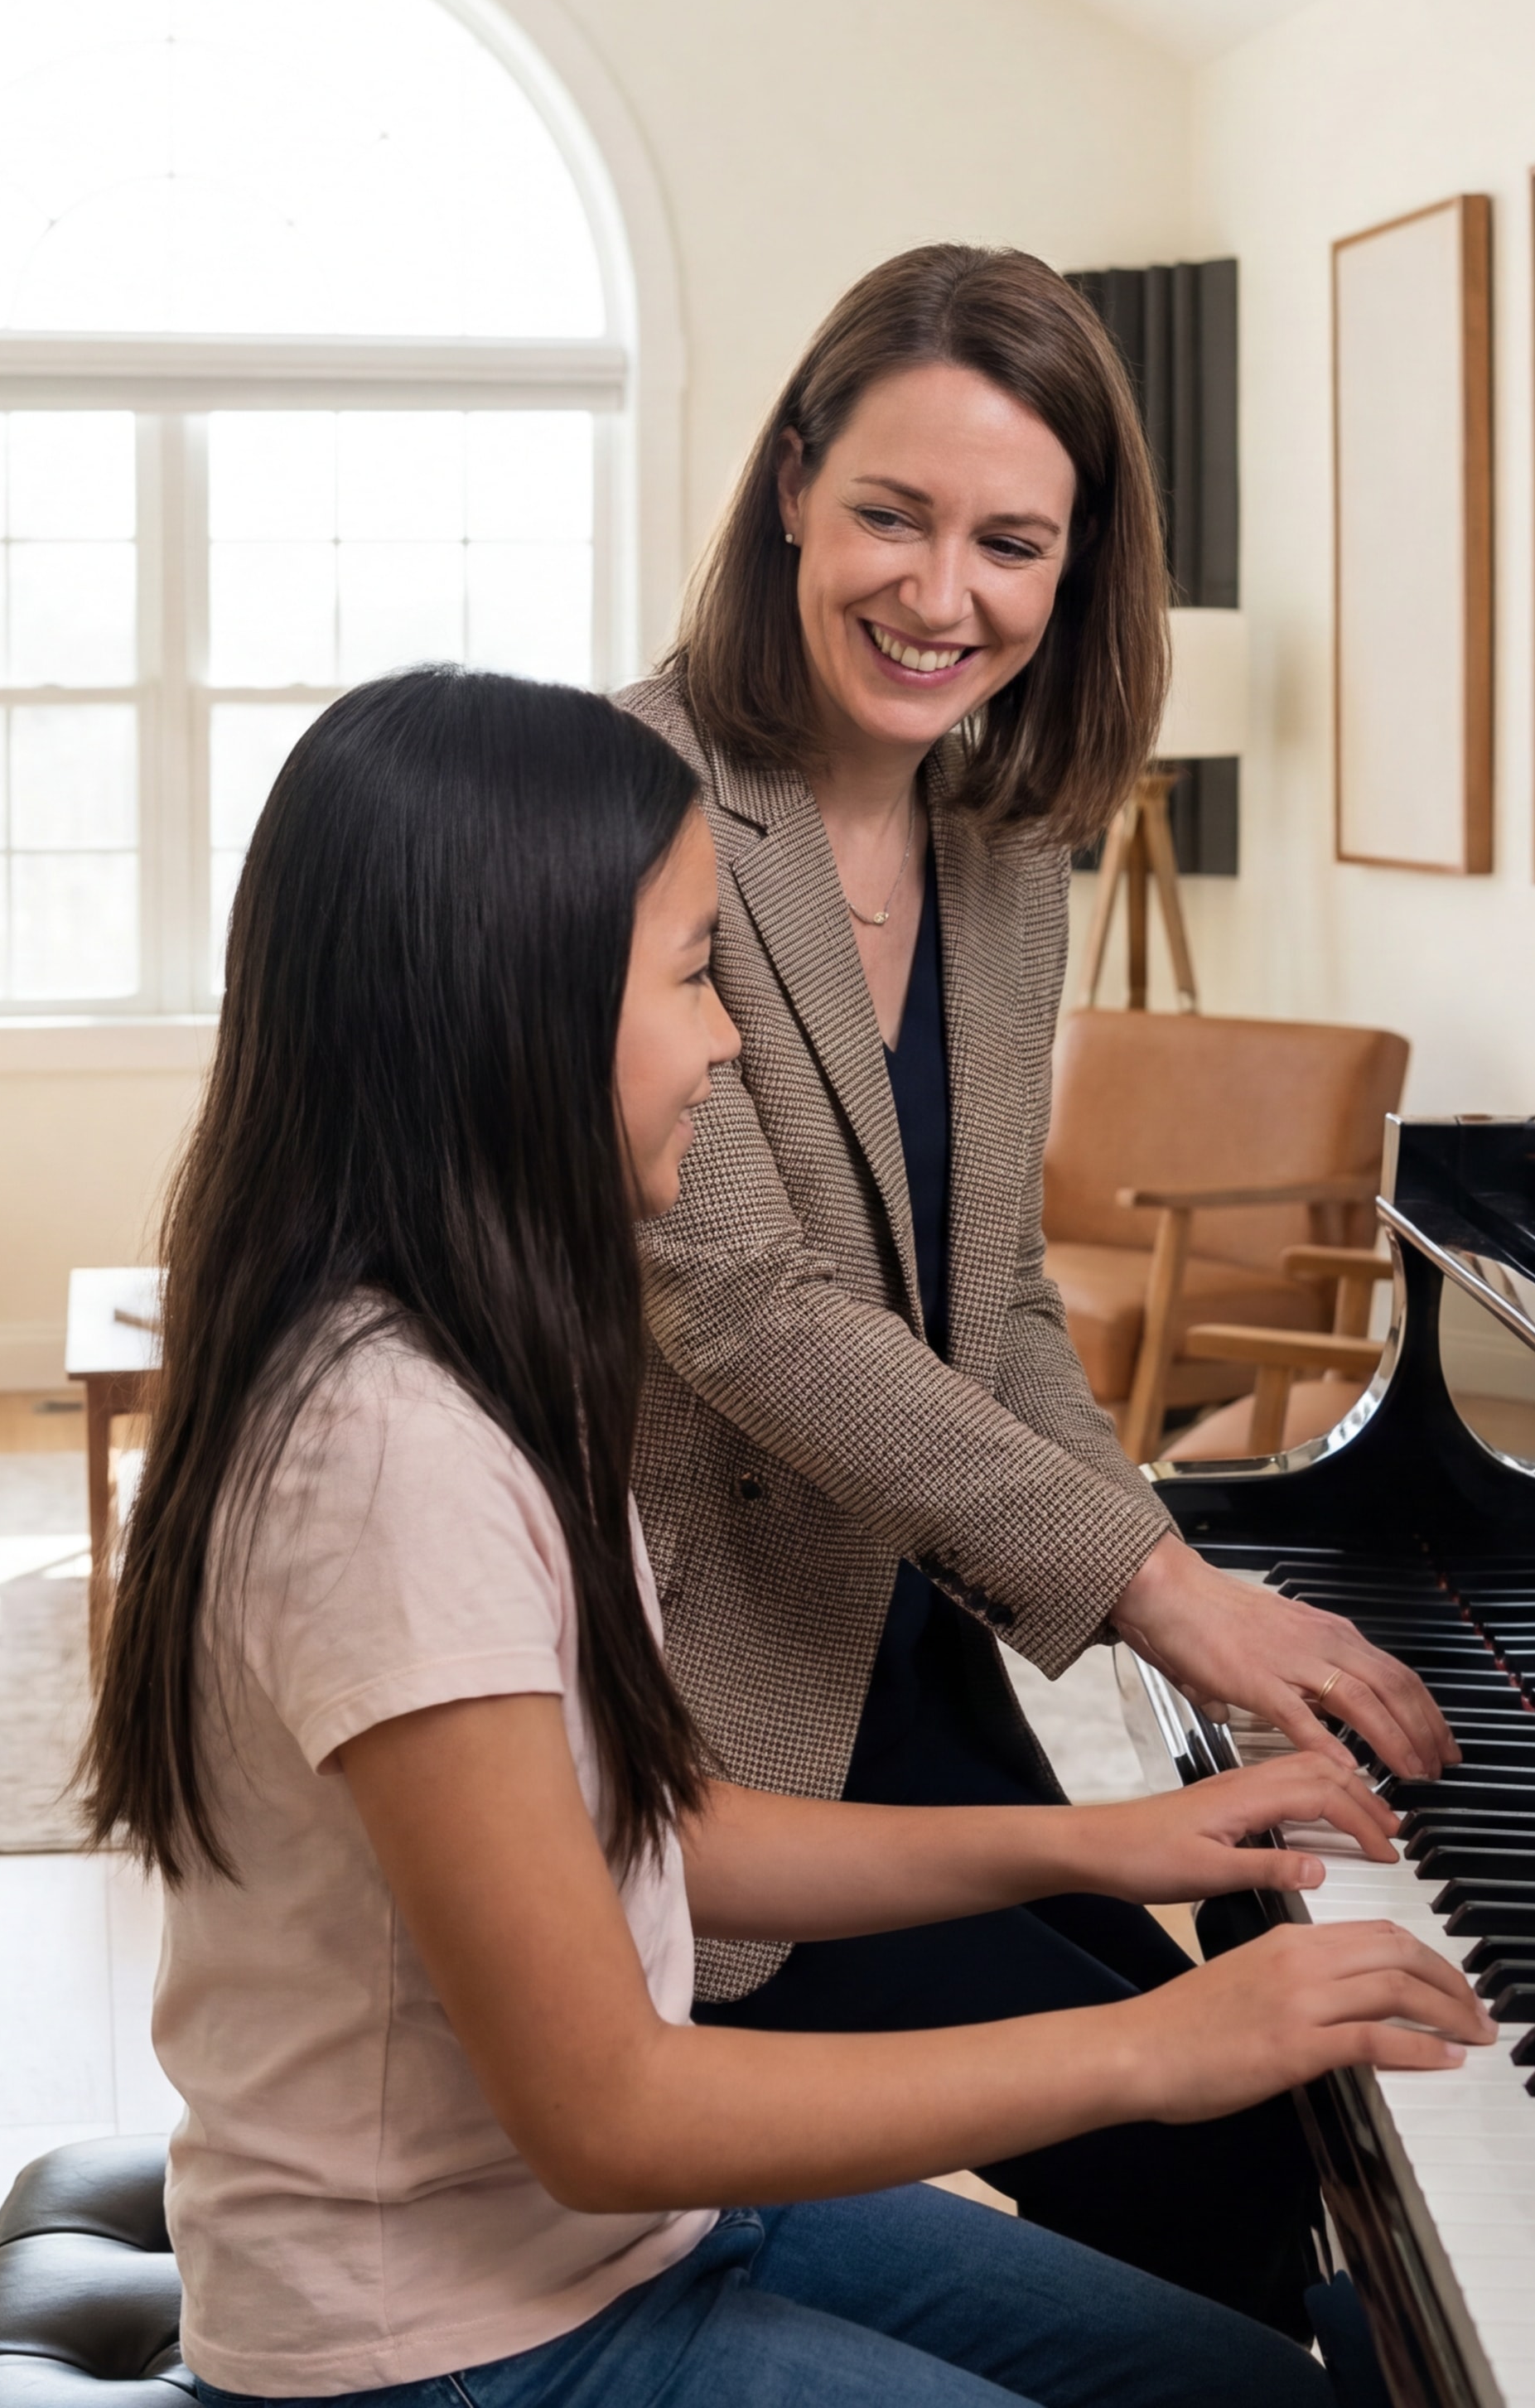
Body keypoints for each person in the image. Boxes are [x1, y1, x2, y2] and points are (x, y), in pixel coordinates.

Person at [85, 667, 1491, 2408]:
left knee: (1266, 2390)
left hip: (632, 2242)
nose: (729, 1036)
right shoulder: (382, 1456)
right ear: (506, 1013)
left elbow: (663, 1831)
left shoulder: (488, 1354)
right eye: (689, 974)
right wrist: (1148, 2045)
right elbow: (606, 2108)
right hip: (448, 2346)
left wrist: (1103, 1847)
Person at [613, 244, 1451, 2324]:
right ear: (790, 481)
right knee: (1204, 2152)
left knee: (1266, 2126)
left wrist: (1155, 1579)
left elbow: (985, 1299)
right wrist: (1162, 1593)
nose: (940, 594)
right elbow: (735, 1301)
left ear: (1074, 572)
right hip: (710, 1704)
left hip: (913, 1653)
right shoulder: (624, 800)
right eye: (892, 514)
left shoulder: (1008, 845)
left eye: (1011, 543)